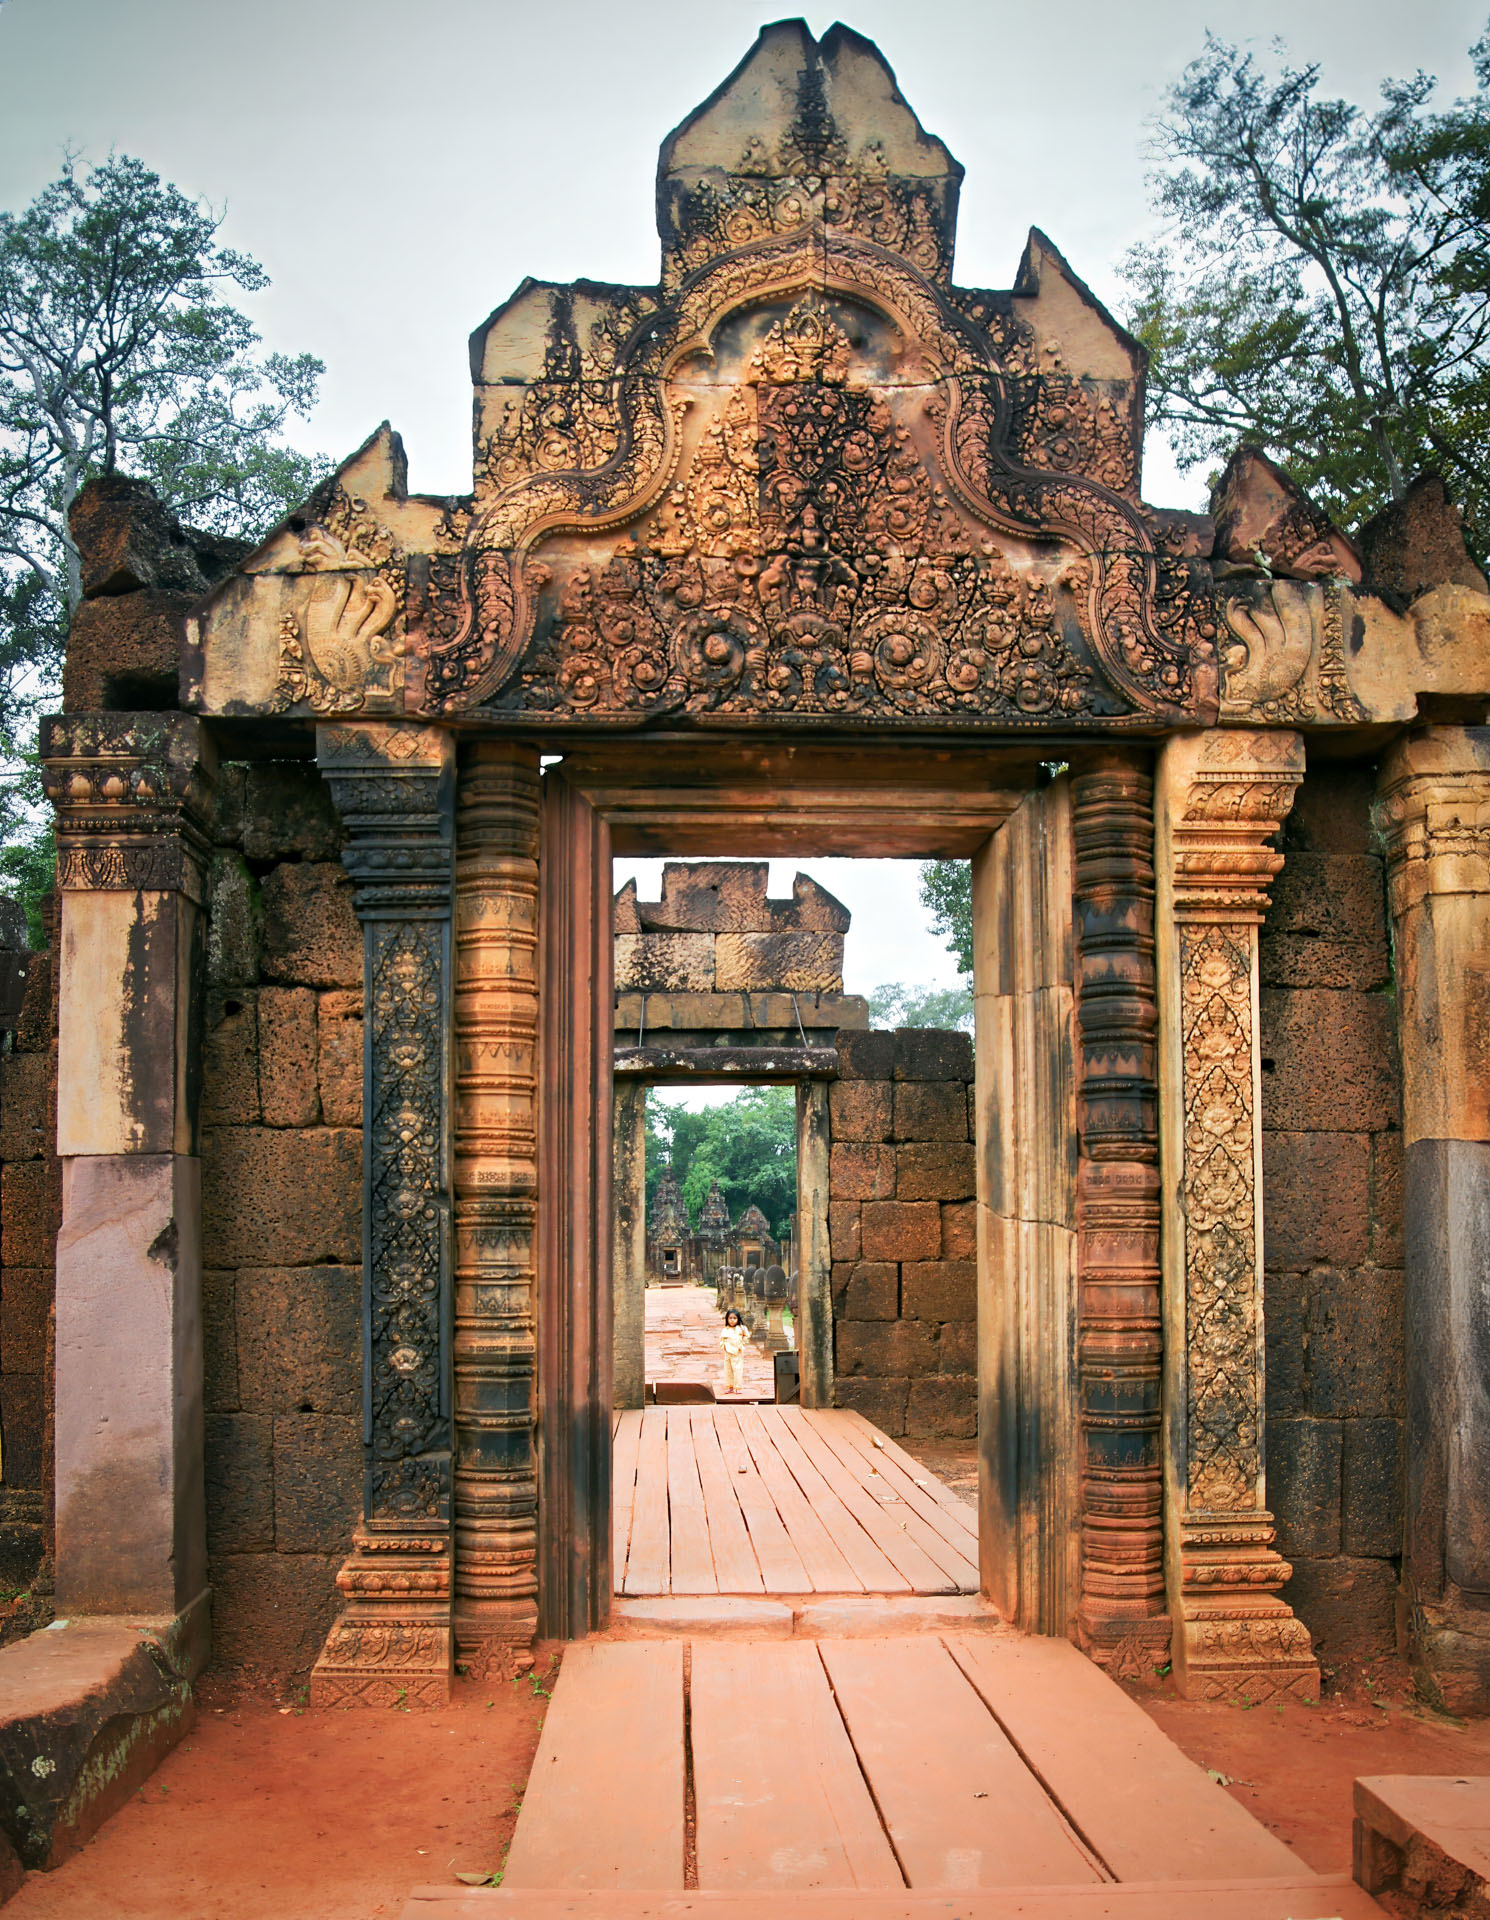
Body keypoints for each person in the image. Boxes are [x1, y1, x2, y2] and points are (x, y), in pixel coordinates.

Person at [719, 1308, 750, 1397]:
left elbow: (746, 1337)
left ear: (738, 1319)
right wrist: (724, 1346)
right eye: (730, 1318)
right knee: (728, 1370)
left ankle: (737, 1387)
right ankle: (730, 1386)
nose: (732, 1320)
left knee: (737, 1369)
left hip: (737, 1352)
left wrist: (742, 1344)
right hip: (728, 1353)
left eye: (734, 1318)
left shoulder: (741, 1328)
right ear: (727, 1319)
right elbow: (721, 1339)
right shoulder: (726, 1329)